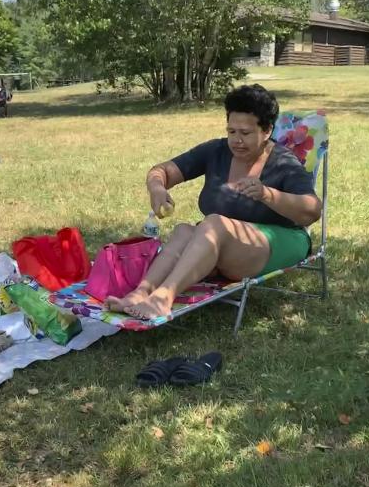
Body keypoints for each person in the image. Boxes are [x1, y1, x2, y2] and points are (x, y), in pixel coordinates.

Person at [106, 84, 322, 320]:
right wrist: (156, 187)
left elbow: (312, 210)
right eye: (232, 132)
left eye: (245, 133)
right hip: (226, 243)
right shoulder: (216, 151)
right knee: (184, 232)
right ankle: (140, 293)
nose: (236, 140)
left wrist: (268, 195)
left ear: (267, 130)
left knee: (213, 224)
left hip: (280, 240)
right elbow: (162, 171)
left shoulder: (283, 161)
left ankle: (163, 299)